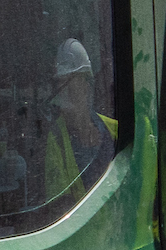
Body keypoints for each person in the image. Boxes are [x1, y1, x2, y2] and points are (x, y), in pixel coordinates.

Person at [43, 38, 117, 201]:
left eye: (70, 83)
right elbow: (60, 207)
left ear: (86, 84)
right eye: (60, 85)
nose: (65, 92)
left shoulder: (113, 130)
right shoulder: (56, 140)